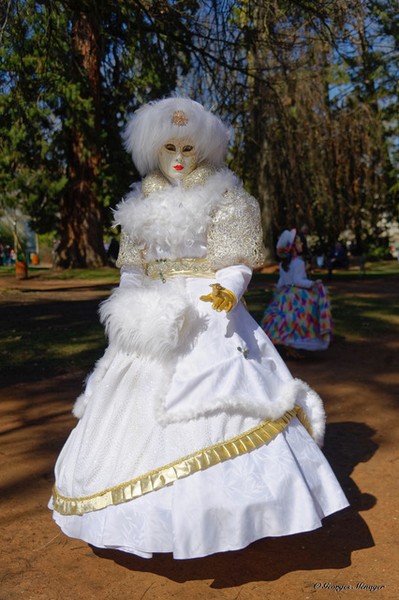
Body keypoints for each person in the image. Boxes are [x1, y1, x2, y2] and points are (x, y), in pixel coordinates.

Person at [49, 97, 348, 559]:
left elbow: (236, 259)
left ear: (203, 148)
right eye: (169, 146)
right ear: (154, 149)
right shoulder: (139, 201)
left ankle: (233, 515)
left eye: (188, 147)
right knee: (129, 400)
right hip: (151, 311)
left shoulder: (225, 195)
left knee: (223, 397)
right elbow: (133, 266)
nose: (179, 157)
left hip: (211, 310)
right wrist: (127, 300)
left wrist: (229, 287)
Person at [262, 229, 333, 356]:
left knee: (285, 321)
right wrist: (313, 284)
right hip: (296, 295)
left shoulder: (283, 264)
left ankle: (288, 345)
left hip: (284, 294)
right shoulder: (299, 262)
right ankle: (294, 345)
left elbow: (281, 281)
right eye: (299, 243)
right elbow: (298, 280)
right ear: (293, 247)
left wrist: (277, 291)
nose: (301, 245)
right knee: (299, 320)